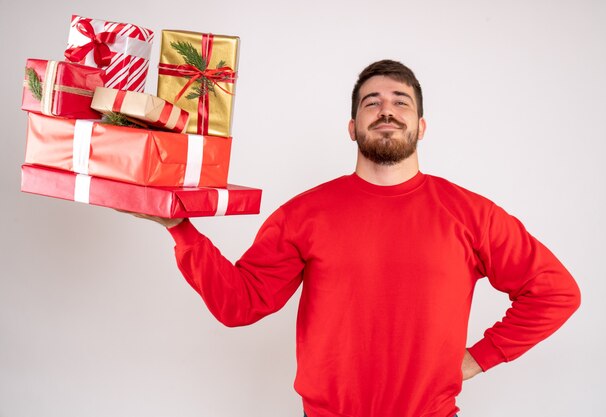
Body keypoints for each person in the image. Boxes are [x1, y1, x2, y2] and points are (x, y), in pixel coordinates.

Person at [130, 60, 581, 417]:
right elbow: (240, 304)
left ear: (421, 126)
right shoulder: (304, 214)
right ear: (353, 128)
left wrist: (480, 358)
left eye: (401, 102)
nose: (387, 110)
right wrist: (179, 228)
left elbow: (555, 293)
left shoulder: (472, 215)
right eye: (371, 103)